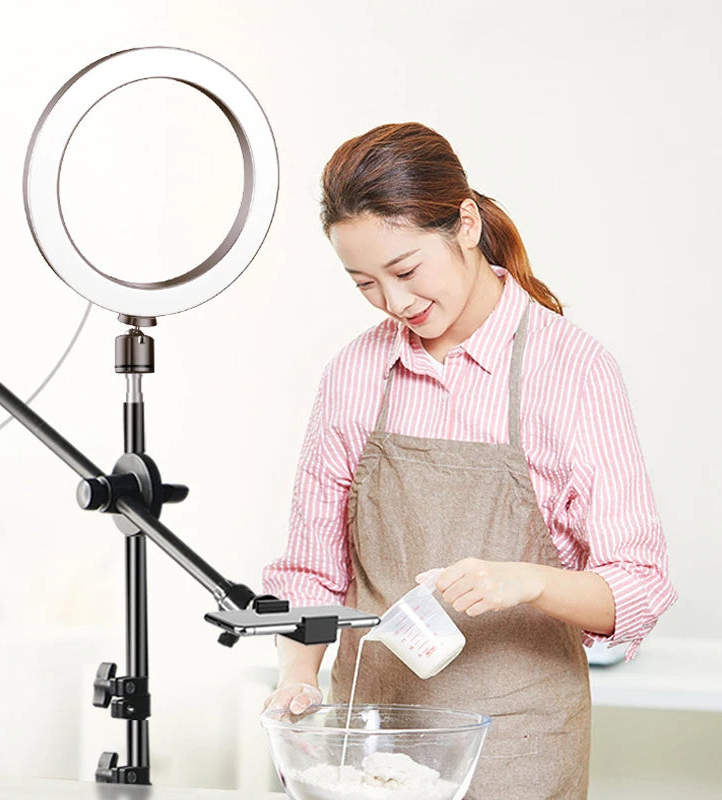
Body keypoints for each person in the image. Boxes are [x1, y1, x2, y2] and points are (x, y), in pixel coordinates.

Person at [261, 122, 676, 799]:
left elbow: (639, 585)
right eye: (365, 283)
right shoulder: (355, 375)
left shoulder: (572, 370)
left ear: (466, 224)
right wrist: (297, 677)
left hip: (520, 747)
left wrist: (527, 582)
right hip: (375, 741)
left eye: (405, 271)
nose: (395, 303)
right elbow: (311, 570)